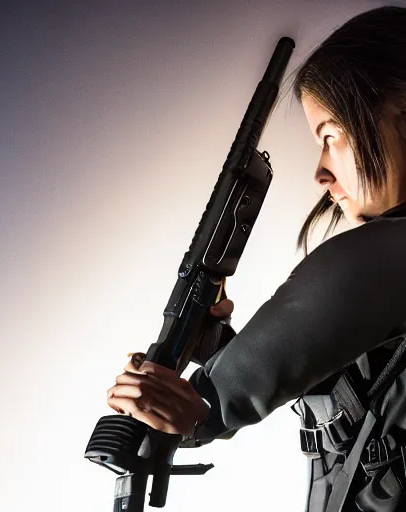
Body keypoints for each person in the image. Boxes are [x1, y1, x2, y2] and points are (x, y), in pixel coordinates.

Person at [106, 6, 406, 511]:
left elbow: (352, 279)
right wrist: (219, 344)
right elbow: (334, 376)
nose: (322, 174)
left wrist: (202, 406)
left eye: (331, 137)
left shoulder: (386, 254)